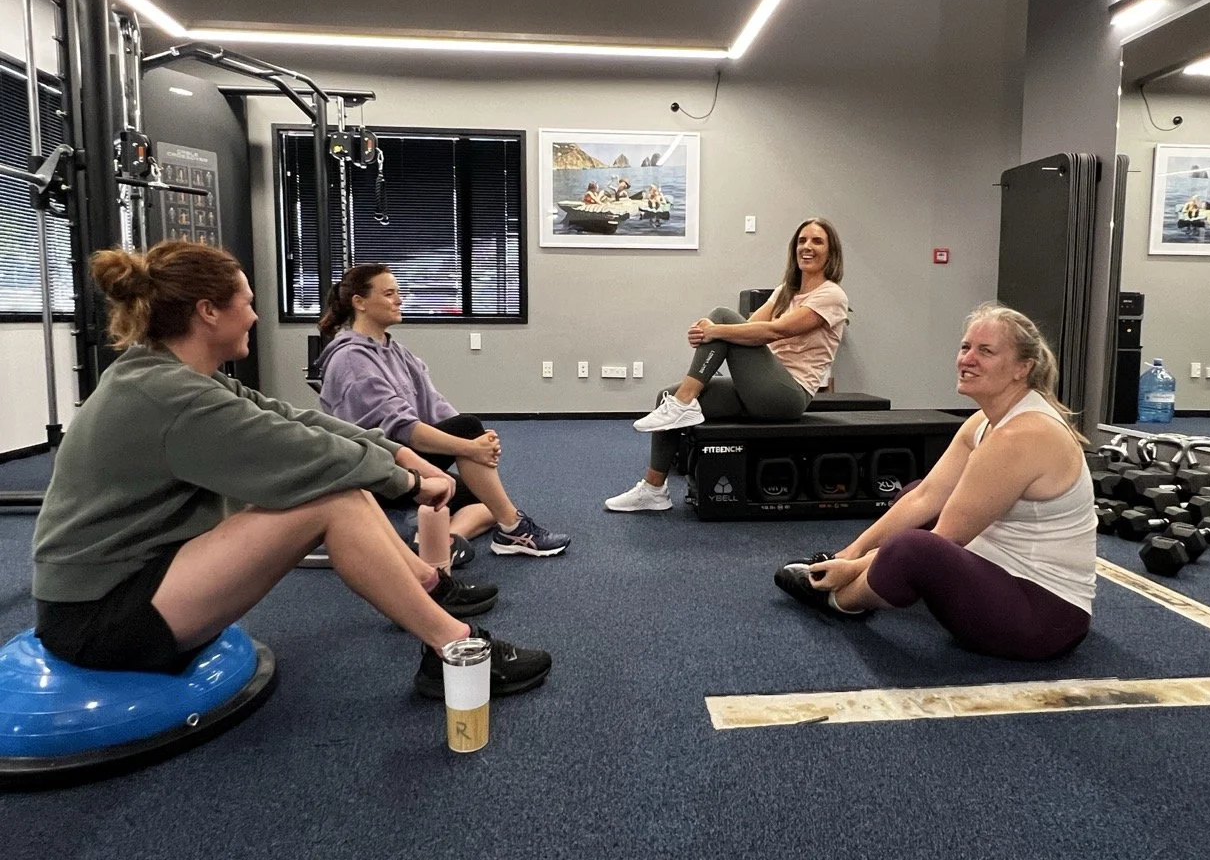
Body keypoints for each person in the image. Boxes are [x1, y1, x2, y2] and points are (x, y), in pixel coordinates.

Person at [31, 240, 551, 700]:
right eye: (249, 304)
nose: (256, 317)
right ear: (209, 311)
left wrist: (397, 456)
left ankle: (425, 584)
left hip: (135, 578)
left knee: (340, 483)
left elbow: (293, 418)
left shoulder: (170, 374)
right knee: (333, 497)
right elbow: (308, 454)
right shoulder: (169, 394)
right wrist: (411, 483)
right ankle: (453, 648)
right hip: (100, 616)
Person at [773, 302, 1096, 662]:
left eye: (985, 351)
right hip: (1000, 569)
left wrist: (851, 572)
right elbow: (925, 497)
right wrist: (847, 554)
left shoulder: (1022, 435)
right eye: (965, 347)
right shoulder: (984, 422)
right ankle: (852, 576)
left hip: (1044, 619)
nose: (967, 359)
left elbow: (946, 538)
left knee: (914, 549)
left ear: (1023, 368)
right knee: (913, 494)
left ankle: (837, 600)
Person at [317, 264, 571, 557]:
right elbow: (404, 429)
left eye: (398, 293)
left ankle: (441, 541)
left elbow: (435, 406)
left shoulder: (397, 352)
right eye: (389, 294)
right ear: (359, 302)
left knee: (486, 501)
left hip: (404, 460)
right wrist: (469, 444)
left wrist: (479, 441)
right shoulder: (350, 359)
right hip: (371, 471)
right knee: (468, 433)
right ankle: (514, 529)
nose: (399, 300)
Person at [605, 218, 848, 512]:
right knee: (665, 397)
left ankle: (684, 401)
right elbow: (748, 328)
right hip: (760, 386)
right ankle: (654, 490)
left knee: (721, 318)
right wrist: (709, 334)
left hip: (788, 394)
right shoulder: (786, 290)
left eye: (817, 241)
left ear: (831, 251)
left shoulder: (832, 295)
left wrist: (715, 330)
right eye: (802, 241)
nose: (807, 247)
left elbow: (776, 331)